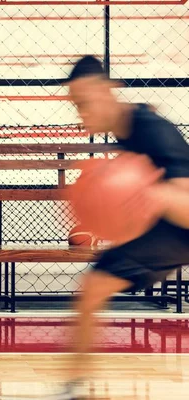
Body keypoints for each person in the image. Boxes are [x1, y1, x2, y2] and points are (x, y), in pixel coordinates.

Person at [49, 55, 189, 399]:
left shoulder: (151, 130)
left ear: (108, 90)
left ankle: (74, 387)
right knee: (90, 291)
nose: (81, 114)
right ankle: (76, 386)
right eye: (75, 106)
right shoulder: (129, 127)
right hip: (165, 229)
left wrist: (152, 195)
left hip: (181, 229)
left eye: (83, 103)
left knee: (92, 289)